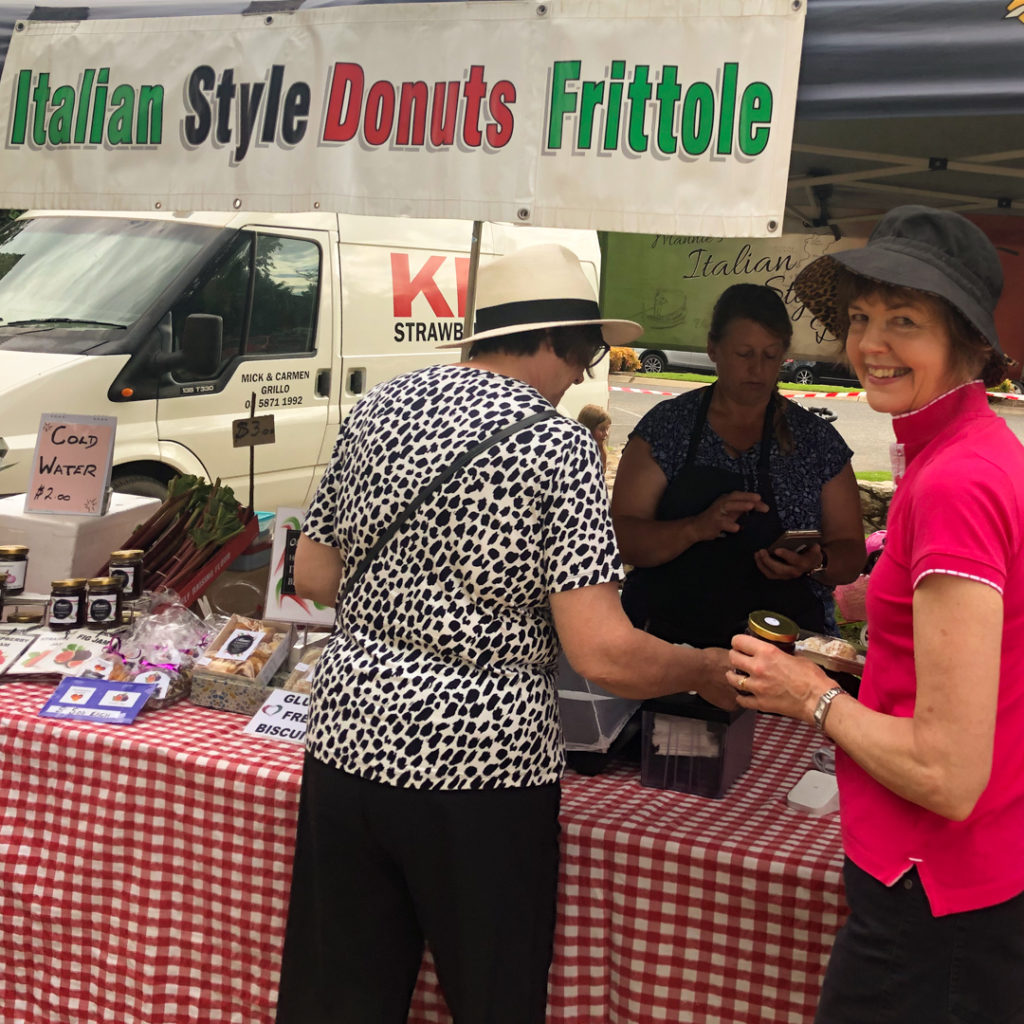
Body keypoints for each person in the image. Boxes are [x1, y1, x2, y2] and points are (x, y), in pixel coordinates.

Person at [274, 243, 737, 1024]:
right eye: (586, 350)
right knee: (493, 993)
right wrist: (703, 667)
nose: (585, 372)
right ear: (551, 341)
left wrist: (408, 604)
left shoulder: (376, 408)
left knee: (339, 995)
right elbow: (602, 651)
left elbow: (314, 578)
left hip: (347, 737)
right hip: (481, 767)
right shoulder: (556, 446)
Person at [727, 205, 1024, 1022]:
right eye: (861, 317)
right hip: (957, 878)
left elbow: (946, 773)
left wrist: (807, 694)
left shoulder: (959, 479)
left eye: (904, 320)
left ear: (968, 343)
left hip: (937, 890)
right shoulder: (966, 454)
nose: (870, 343)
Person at [611, 283, 865, 649]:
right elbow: (622, 539)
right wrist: (696, 527)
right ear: (713, 348)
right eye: (743, 353)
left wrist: (816, 561)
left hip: (785, 649)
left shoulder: (817, 442)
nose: (757, 369)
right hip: (669, 647)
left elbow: (851, 552)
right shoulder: (667, 429)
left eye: (770, 355)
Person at [577, 402, 612, 473]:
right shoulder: (577, 454)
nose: (606, 433)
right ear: (588, 428)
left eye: (607, 428)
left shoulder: (601, 450)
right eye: (602, 429)